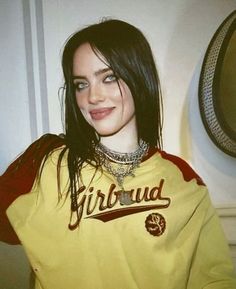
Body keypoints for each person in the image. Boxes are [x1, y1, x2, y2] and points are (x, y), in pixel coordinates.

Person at [0, 19, 235, 289]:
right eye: (81, 84)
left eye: (109, 78)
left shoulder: (183, 179)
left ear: (138, 76)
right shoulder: (46, 163)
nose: (93, 97)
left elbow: (214, 279)